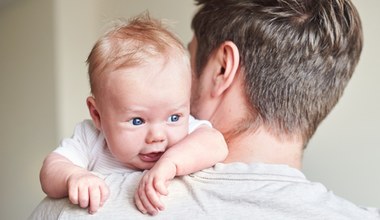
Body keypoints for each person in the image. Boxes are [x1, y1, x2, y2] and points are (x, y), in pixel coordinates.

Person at [30, 0, 380, 219]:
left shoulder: (80, 210)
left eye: (190, 56)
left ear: (222, 69)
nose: (157, 133)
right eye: (138, 118)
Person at [38, 14, 228, 216]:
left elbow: (216, 143)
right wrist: (73, 176)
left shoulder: (186, 134)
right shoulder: (90, 138)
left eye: (174, 117)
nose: (157, 136)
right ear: (97, 115)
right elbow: (50, 170)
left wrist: (171, 163)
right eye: (137, 121)